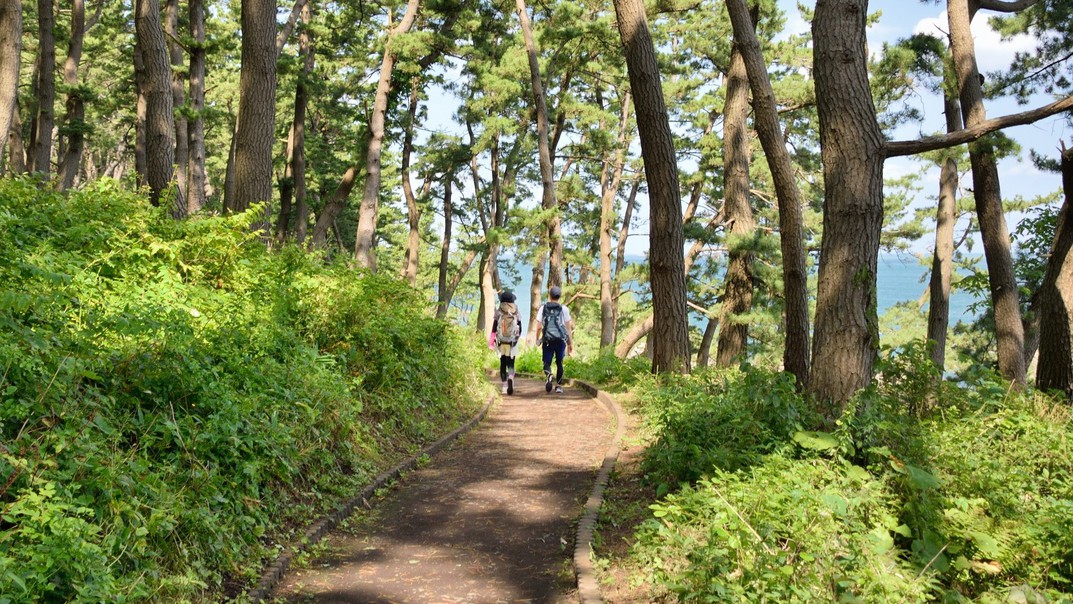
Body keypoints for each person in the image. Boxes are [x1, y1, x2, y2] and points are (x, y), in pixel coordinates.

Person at [535, 285, 574, 394]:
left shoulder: (543, 308)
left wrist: (537, 339)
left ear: (550, 296)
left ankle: (549, 375)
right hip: (560, 340)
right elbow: (568, 328)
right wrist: (570, 343)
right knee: (559, 362)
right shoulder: (564, 309)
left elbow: (538, 326)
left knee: (546, 362)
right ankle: (559, 386)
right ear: (559, 296)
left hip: (547, 340)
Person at [489, 289, 521, 395]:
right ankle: (511, 377)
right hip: (512, 342)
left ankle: (504, 386)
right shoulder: (516, 310)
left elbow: (494, 327)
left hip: (501, 341)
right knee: (511, 363)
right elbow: (519, 327)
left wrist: (491, 341)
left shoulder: (499, 311)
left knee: (503, 363)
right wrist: (516, 338)